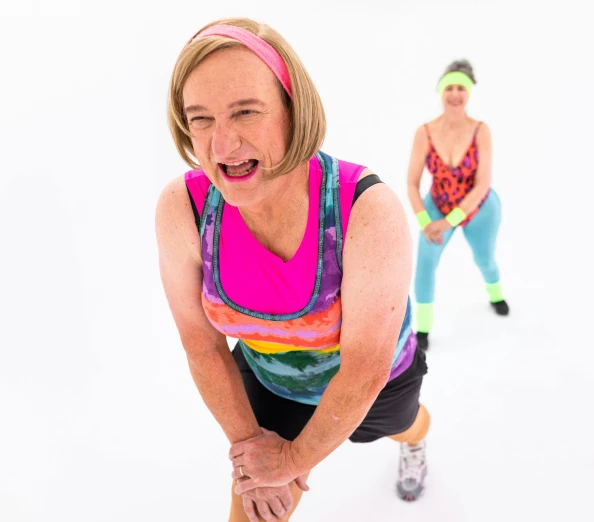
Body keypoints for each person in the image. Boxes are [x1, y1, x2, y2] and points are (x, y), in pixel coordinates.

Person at [155, 18, 431, 521]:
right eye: (200, 119)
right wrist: (253, 453)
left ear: (290, 107)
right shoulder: (184, 209)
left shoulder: (365, 210)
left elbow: (365, 368)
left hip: (376, 386)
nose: (221, 147)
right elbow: (202, 344)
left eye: (245, 112)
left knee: (404, 424)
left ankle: (416, 437)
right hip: (271, 381)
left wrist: (294, 461)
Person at [406, 59, 510, 350]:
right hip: (436, 207)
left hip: (480, 210)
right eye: (449, 87)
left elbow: (482, 185)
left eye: (460, 88)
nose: (455, 94)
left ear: (469, 93)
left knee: (485, 260)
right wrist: (427, 223)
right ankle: (423, 329)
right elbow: (412, 184)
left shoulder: (481, 131)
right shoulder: (424, 132)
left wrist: (449, 221)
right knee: (425, 265)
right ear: (441, 91)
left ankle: (496, 294)